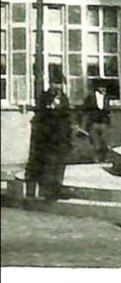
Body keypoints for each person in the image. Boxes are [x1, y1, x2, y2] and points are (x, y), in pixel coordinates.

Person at [25, 70, 72, 201]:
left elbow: (67, 117)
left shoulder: (64, 98)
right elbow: (41, 116)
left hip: (61, 138)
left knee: (59, 165)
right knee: (45, 164)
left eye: (60, 84)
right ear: (50, 84)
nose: (58, 87)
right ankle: (44, 192)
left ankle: (56, 189)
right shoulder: (44, 97)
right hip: (46, 138)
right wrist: (52, 107)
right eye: (55, 84)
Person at [80, 78, 111, 164]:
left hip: (104, 123)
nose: (104, 89)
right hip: (93, 123)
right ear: (98, 88)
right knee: (95, 143)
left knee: (105, 142)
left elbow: (108, 110)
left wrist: (108, 121)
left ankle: (104, 158)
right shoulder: (90, 97)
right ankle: (96, 159)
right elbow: (84, 110)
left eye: (105, 88)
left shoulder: (106, 98)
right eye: (102, 87)